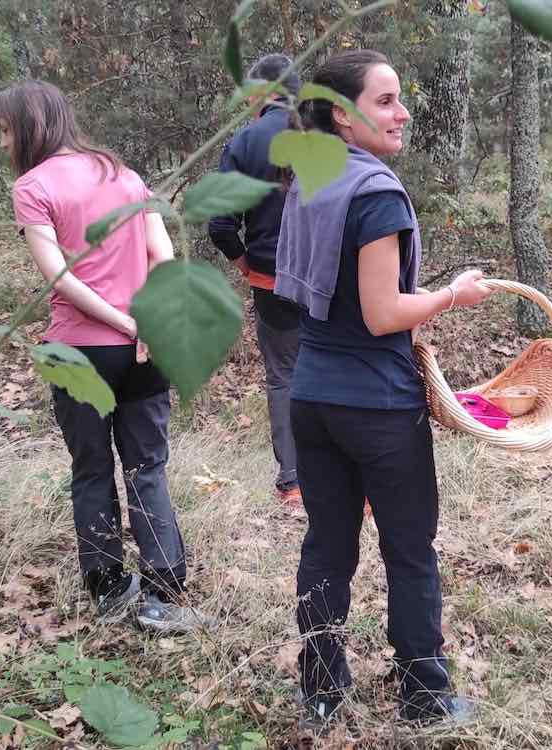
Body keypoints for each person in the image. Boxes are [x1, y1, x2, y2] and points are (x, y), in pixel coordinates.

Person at [274, 50, 493, 723]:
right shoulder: (376, 194)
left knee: (327, 543)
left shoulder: (311, 179)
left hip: (311, 396)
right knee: (408, 550)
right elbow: (381, 313)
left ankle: (319, 687)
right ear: (343, 115)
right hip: (377, 403)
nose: (401, 114)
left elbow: (313, 299)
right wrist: (450, 297)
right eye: (385, 100)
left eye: (401, 99)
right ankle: (425, 697)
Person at [0, 80, 209, 633]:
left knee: (91, 470)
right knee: (147, 469)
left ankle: (109, 589)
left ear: (29, 126)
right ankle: (163, 596)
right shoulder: (124, 174)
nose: (3, 143)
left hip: (78, 351)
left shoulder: (32, 186)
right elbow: (163, 252)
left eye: (5, 130)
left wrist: (119, 321)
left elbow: (59, 277)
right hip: (145, 350)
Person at [208, 54, 303, 507]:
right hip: (332, 284)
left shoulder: (246, 141)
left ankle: (294, 480)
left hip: (273, 284)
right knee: (338, 367)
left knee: (284, 376)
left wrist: (247, 267)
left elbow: (220, 223)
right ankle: (348, 477)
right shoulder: (330, 133)